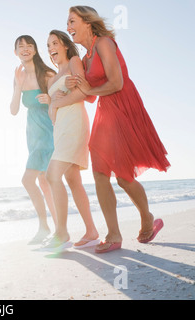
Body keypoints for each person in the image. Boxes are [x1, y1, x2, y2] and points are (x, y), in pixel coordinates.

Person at [66, 6, 170, 253]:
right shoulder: (85, 57)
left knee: (123, 176)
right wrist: (74, 84)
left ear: (88, 22)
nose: (68, 26)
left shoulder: (104, 42)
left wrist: (89, 90)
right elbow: (90, 97)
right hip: (105, 109)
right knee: (100, 171)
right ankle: (113, 235)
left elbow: (117, 82)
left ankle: (147, 218)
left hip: (123, 104)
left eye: (72, 21)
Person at [41, 30, 99, 251]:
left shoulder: (74, 61)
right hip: (60, 130)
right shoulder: (52, 78)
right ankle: (92, 232)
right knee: (73, 180)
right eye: (48, 46)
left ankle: (62, 234)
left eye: (54, 43)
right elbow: (52, 113)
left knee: (51, 175)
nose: (51, 48)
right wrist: (53, 103)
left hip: (75, 126)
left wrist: (58, 101)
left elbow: (84, 92)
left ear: (65, 45)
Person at [10, 35, 57, 244]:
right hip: (32, 133)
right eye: (21, 46)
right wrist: (18, 86)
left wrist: (51, 98)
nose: (25, 49)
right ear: (15, 52)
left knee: (28, 180)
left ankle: (48, 227)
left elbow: (63, 100)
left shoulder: (47, 74)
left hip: (48, 131)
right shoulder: (18, 75)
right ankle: (53, 229)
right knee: (43, 182)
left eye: (29, 46)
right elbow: (13, 110)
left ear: (35, 50)